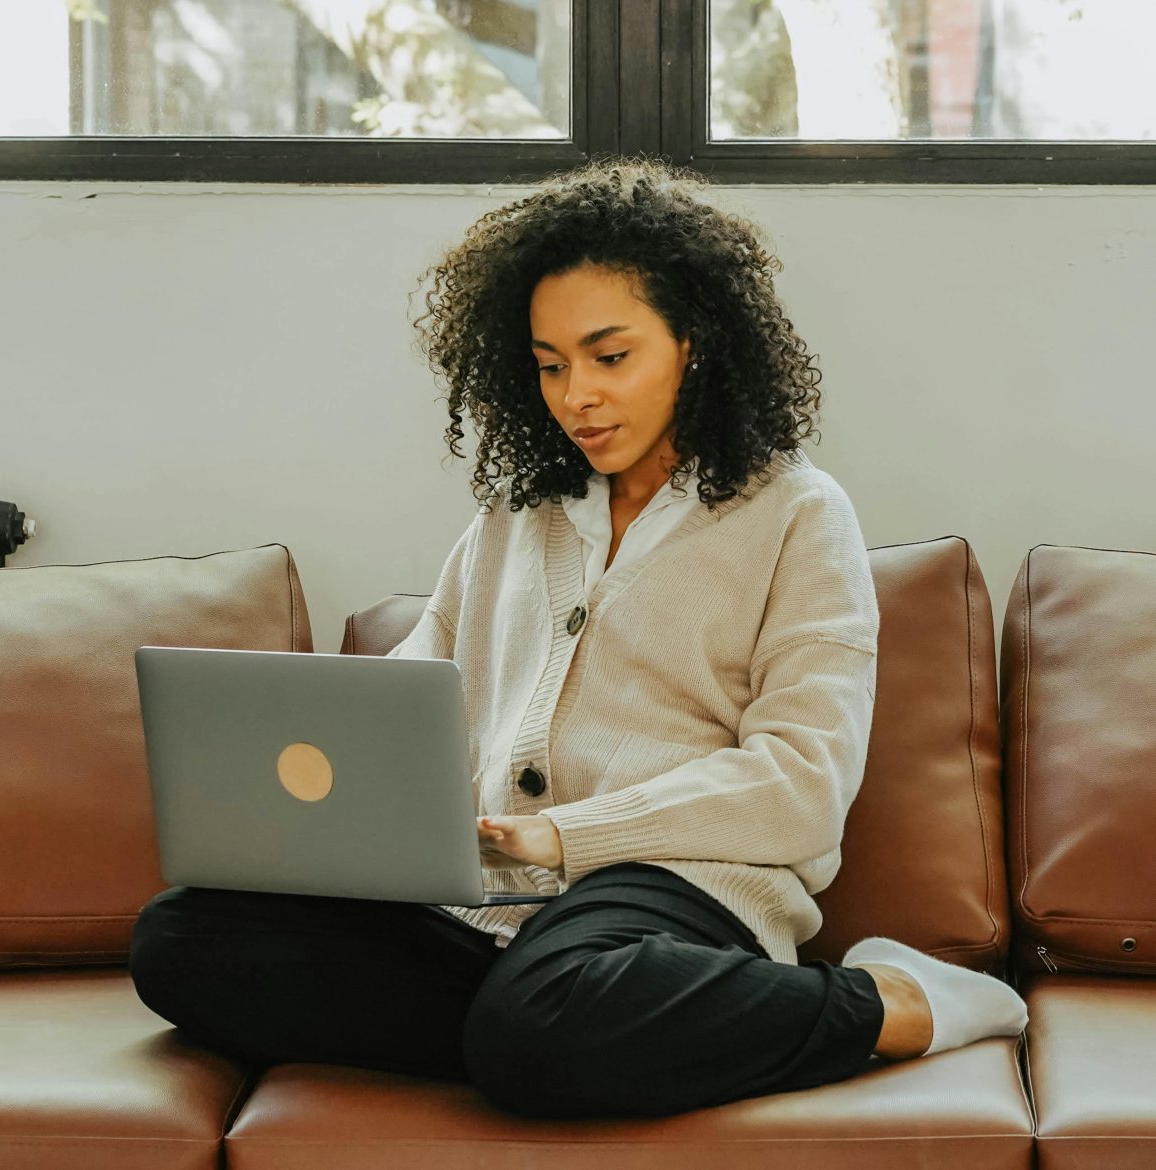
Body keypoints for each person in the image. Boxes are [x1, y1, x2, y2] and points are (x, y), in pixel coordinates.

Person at [129, 156, 1028, 1120]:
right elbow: (409, 699)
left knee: (545, 1016)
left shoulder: (800, 515)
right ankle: (559, 1035)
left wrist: (567, 835)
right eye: (550, 365)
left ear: (694, 340)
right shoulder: (517, 514)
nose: (576, 398)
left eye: (610, 357)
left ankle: (890, 1001)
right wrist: (334, 817)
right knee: (182, 944)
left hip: (676, 892)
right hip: (477, 909)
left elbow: (802, 785)